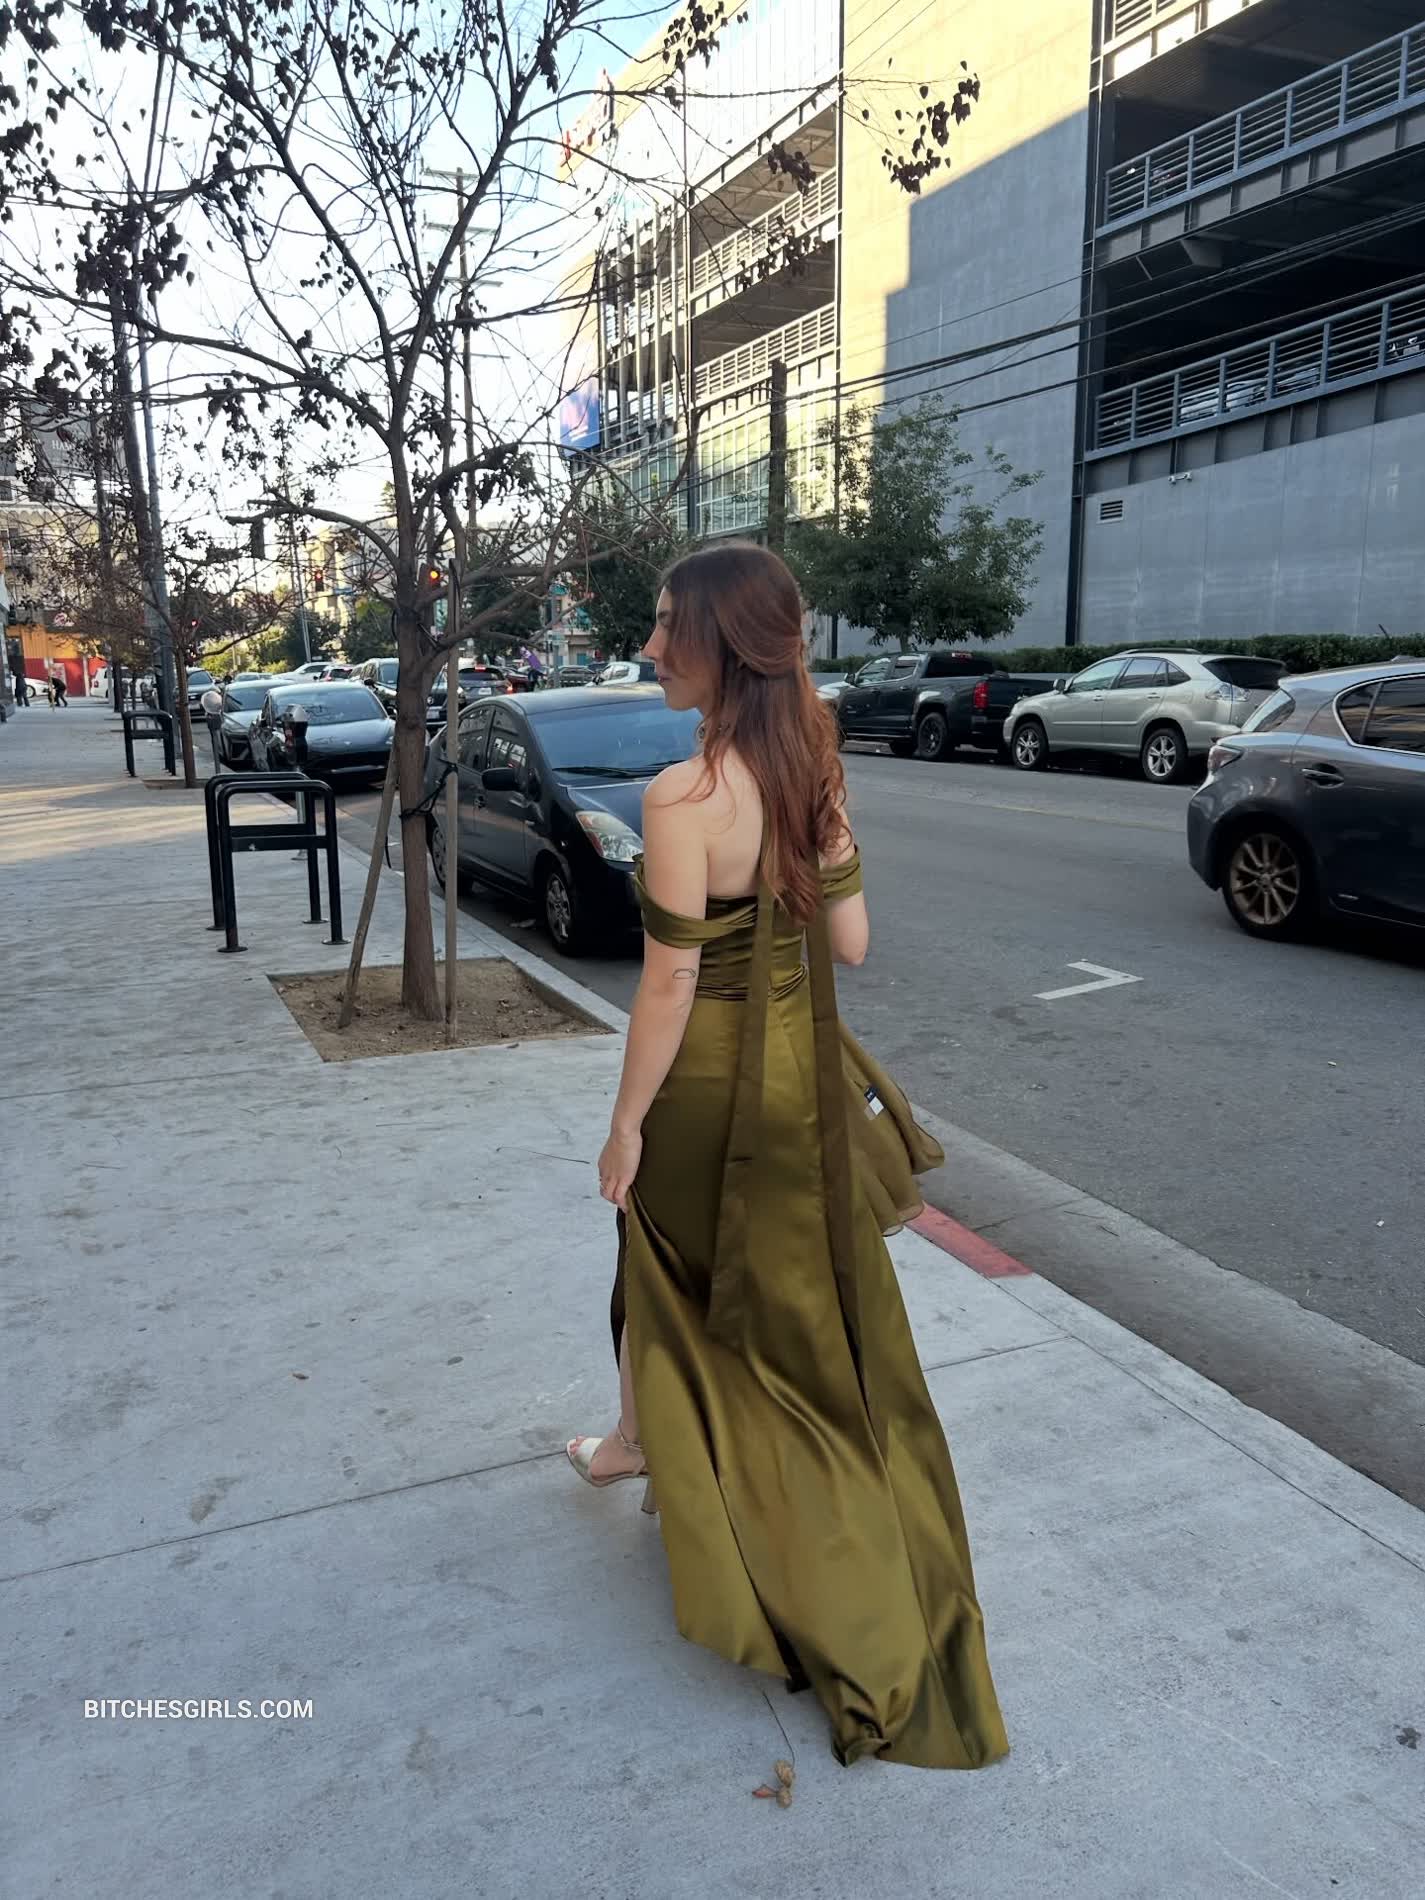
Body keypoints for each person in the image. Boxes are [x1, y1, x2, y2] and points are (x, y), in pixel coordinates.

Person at [566, 543, 1008, 1772]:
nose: (652, 645)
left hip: (706, 1087)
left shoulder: (680, 795)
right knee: (786, 1304)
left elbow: (668, 984)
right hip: (800, 1087)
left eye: (669, 626)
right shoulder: (811, 766)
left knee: (669, 1271)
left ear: (724, 645)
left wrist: (624, 1122)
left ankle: (680, 1466)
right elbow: (851, 941)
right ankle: (634, 1440)